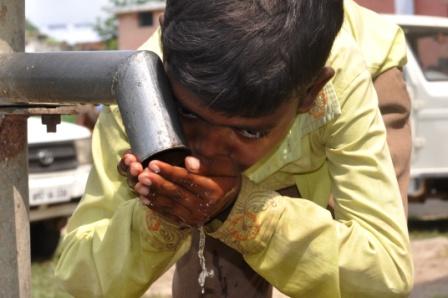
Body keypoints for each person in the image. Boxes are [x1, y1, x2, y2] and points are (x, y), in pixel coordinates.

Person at [55, 0, 413, 297]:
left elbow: (385, 273)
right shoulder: (142, 90)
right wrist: (161, 214)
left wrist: (247, 213)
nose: (205, 154)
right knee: (210, 280)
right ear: (168, 47)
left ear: (311, 94)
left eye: (247, 131)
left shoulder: (343, 81)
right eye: (188, 113)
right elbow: (80, 279)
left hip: (362, 76)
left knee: (351, 278)